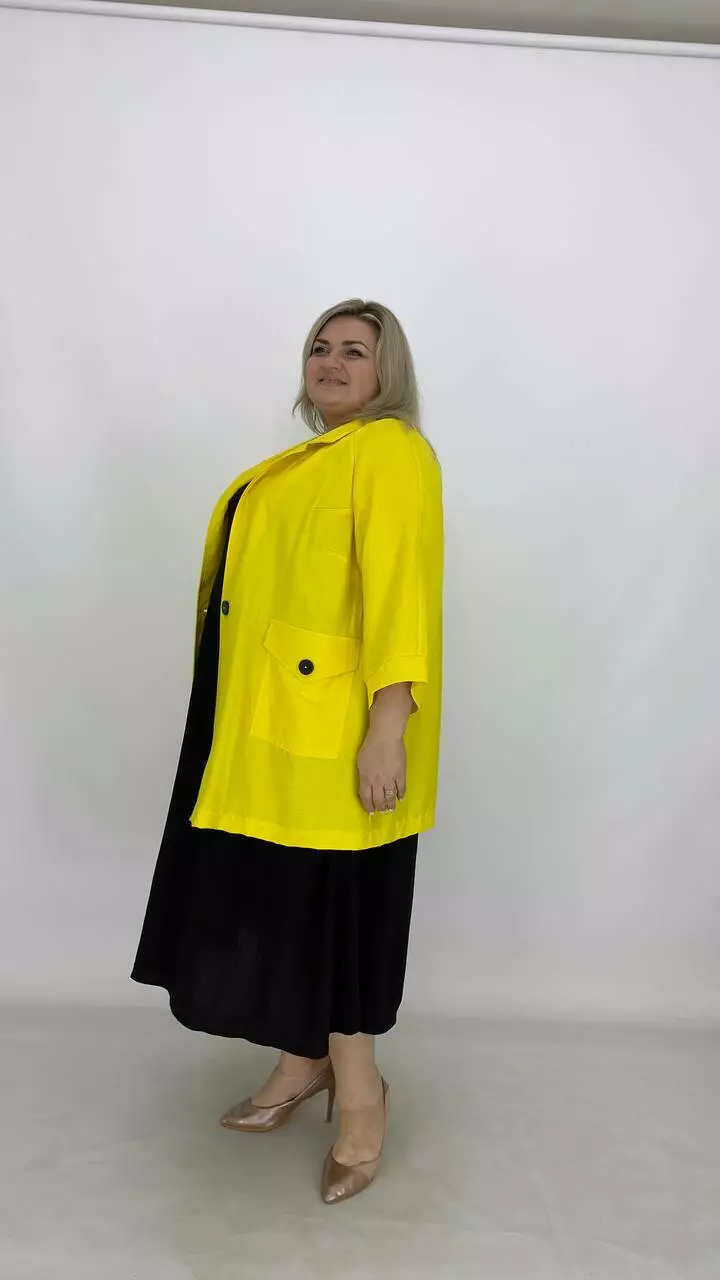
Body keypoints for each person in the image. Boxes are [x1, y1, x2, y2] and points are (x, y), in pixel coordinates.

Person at [132, 298, 443, 1205]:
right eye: (320, 347)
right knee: (282, 907)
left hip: (338, 736)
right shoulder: (310, 461)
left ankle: (361, 1096)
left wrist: (387, 728)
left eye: (356, 351)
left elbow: (402, 596)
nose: (331, 361)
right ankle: (301, 1063)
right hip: (267, 728)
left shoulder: (390, 452)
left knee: (342, 918)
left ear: (388, 373)